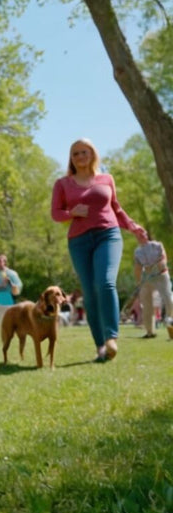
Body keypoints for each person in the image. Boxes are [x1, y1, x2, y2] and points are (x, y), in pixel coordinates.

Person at [51, 138, 147, 362]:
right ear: (71, 158)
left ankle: (111, 337)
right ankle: (100, 346)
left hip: (108, 235)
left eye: (84, 152)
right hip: (79, 241)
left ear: (92, 154)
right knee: (90, 292)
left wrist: (133, 226)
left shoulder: (106, 179)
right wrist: (72, 213)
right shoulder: (63, 183)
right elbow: (56, 213)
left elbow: (116, 208)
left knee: (105, 282)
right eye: (75, 153)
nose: (80, 156)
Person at [133, 231, 173, 339]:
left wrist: (158, 265)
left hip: (161, 275)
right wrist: (138, 282)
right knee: (146, 303)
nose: (141, 235)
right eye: (139, 234)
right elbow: (137, 267)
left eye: (143, 233)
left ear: (147, 235)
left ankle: (170, 321)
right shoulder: (137, 251)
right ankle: (150, 332)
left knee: (168, 299)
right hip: (147, 278)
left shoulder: (157, 245)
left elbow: (163, 258)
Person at [0, 254, 23, 327]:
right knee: (0, 319)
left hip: (8, 297)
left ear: (5, 262)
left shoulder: (11, 273)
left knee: (9, 317)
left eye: (2, 261)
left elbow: (18, 285)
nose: (1, 263)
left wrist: (10, 282)